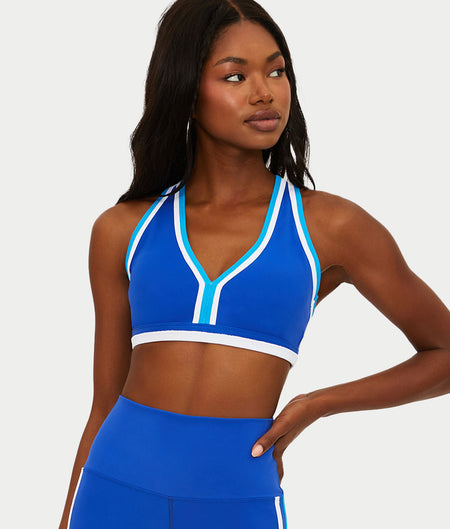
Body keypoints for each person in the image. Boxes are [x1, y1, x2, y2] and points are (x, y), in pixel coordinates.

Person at [59, 0, 450, 528]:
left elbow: (443, 352)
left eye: (276, 71)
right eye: (235, 76)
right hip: (114, 488)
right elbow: (103, 406)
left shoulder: (330, 226)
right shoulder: (123, 229)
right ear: (186, 91)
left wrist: (317, 404)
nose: (264, 92)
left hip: (237, 497)